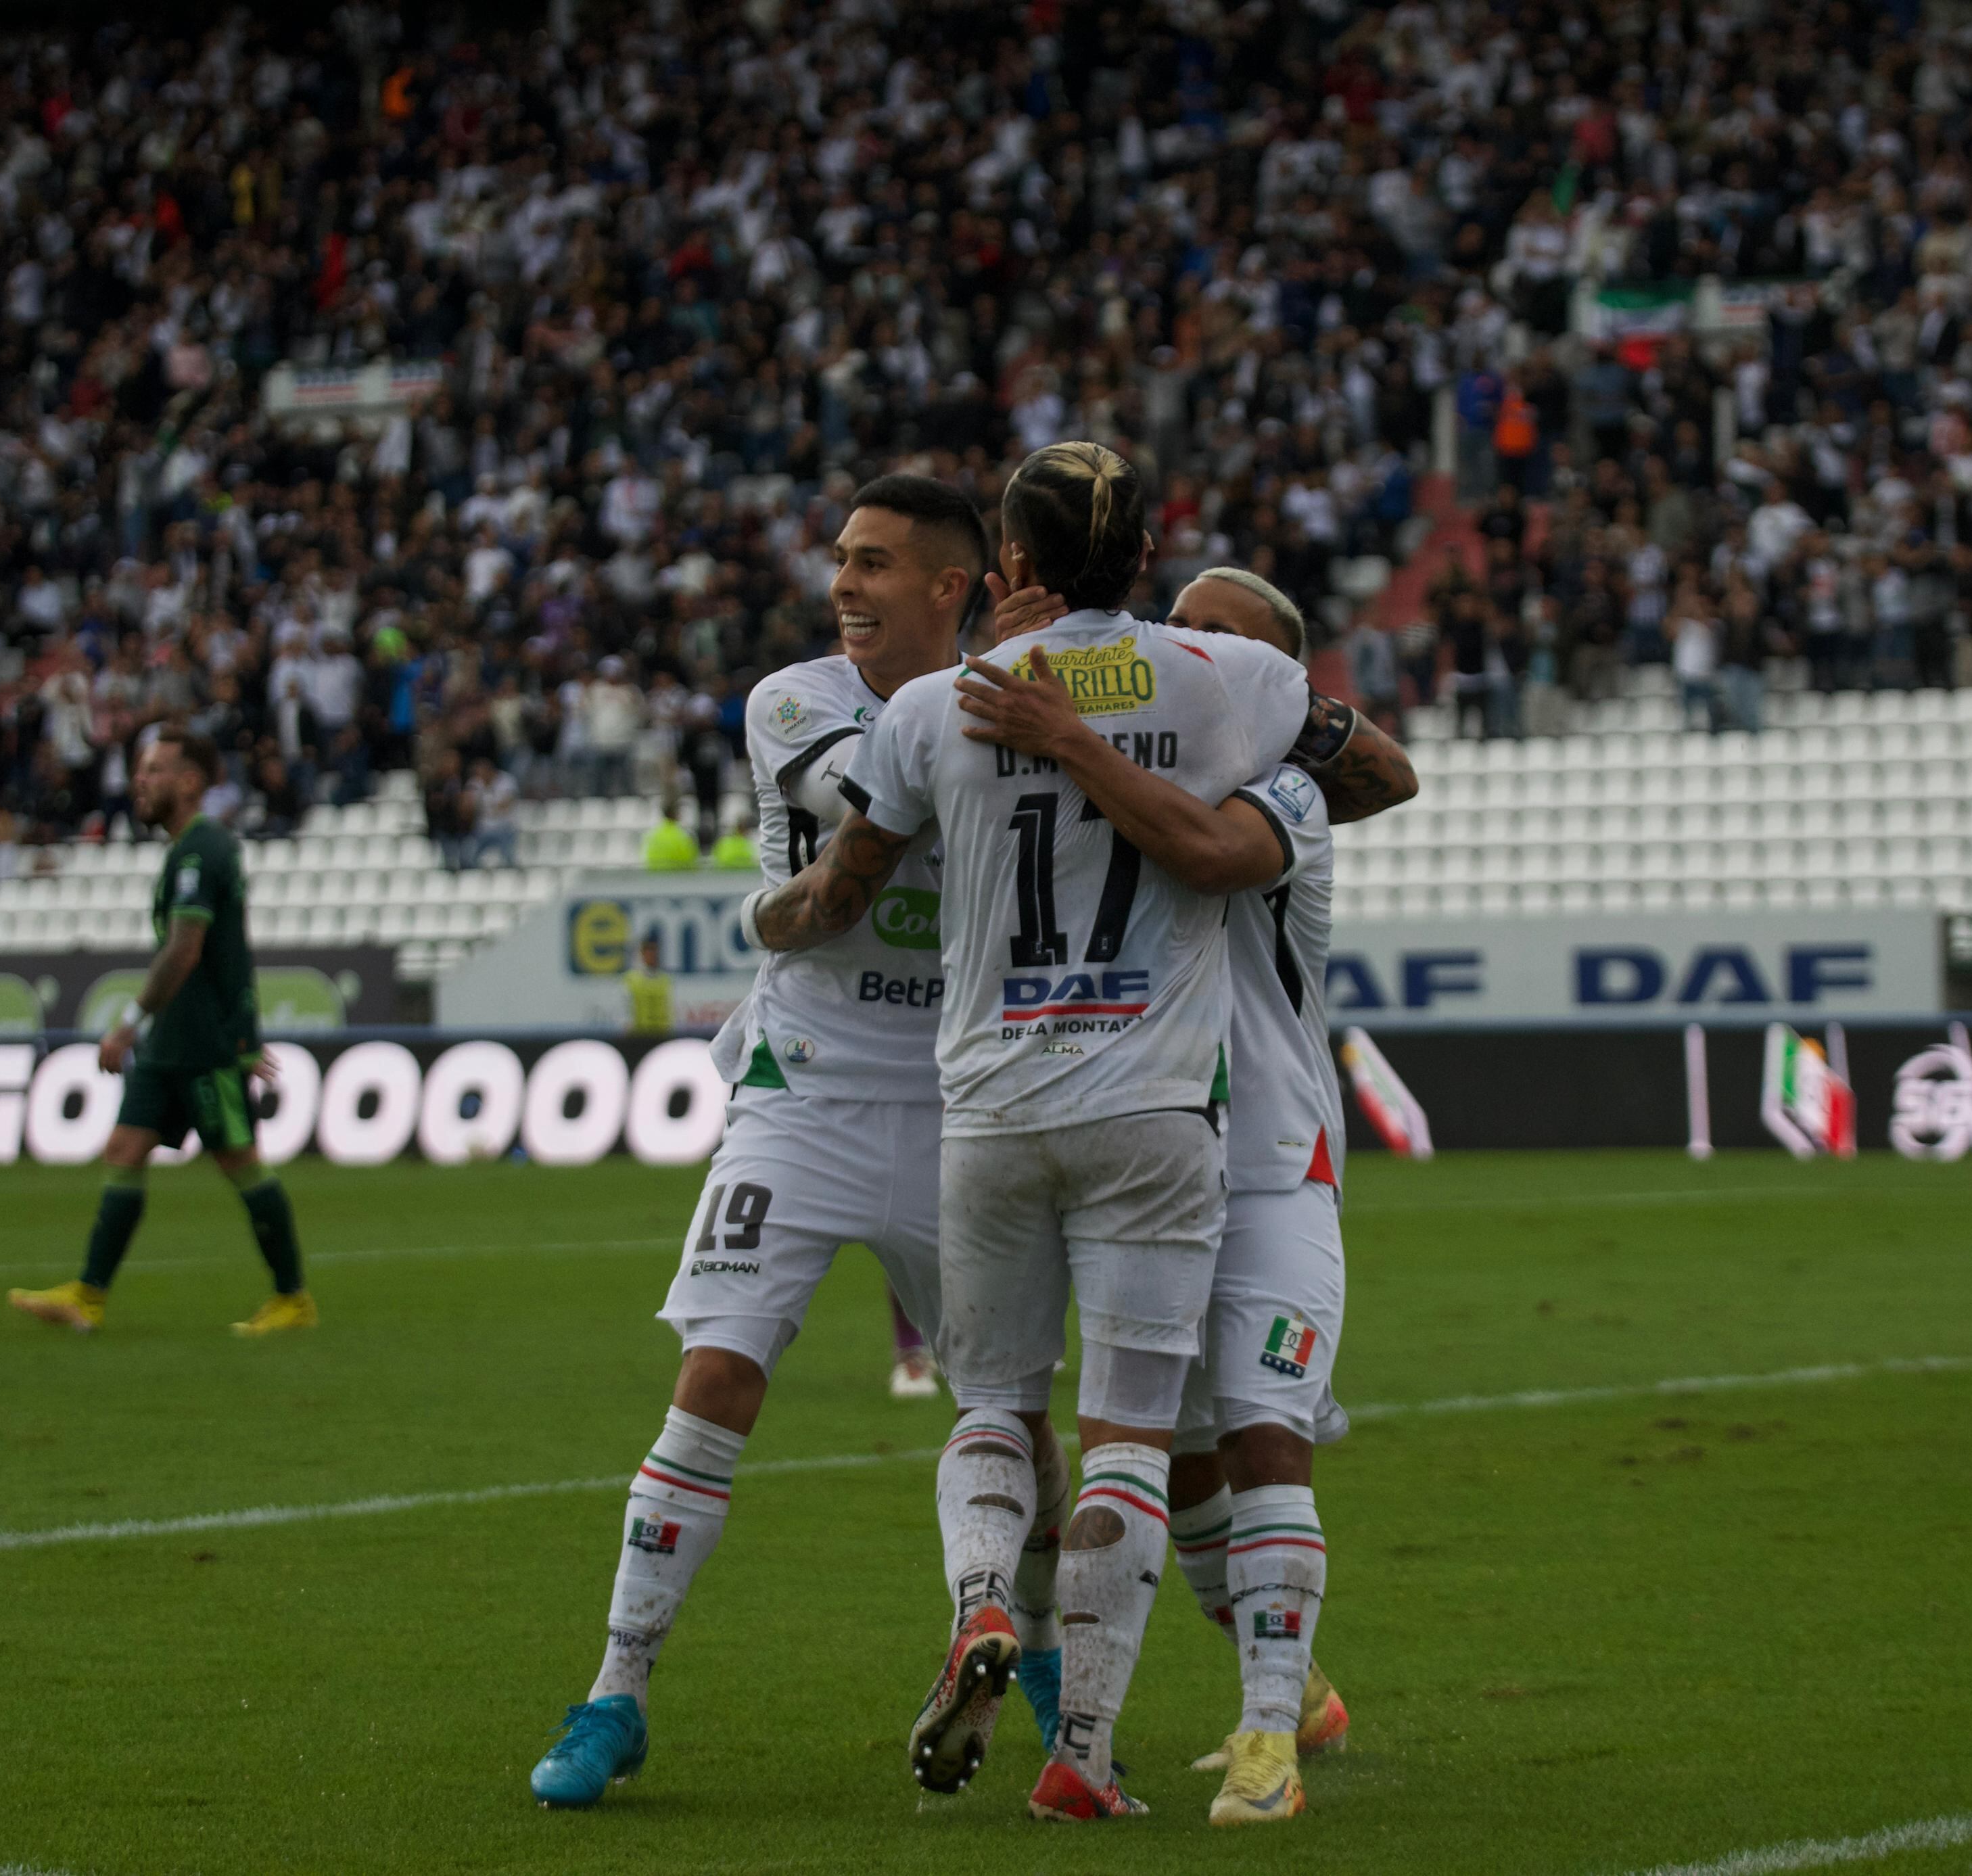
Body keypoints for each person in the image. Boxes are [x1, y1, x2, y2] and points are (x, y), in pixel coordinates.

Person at [742, 442, 1384, 1824]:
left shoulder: (934, 705)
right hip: (1159, 1113)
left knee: (1001, 1409)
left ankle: (992, 1607)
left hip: (991, 1106)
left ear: (1012, 568)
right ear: (1143, 567)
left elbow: (849, 877)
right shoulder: (1241, 696)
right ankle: (1084, 1749)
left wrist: (768, 925)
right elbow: (1362, 765)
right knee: (1138, 1447)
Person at [525, 475, 1013, 1810]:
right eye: (840, 562)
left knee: (1004, 1404)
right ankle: (614, 1693)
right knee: (717, 1372)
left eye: (874, 564)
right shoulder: (794, 699)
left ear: (949, 588)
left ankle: (1043, 1675)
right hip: (799, 1086)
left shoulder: (1011, 711)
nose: (844, 585)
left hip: (960, 1105)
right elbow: (882, 820)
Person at [970, 563, 1414, 1824]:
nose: (1195, 650)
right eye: (1184, 630)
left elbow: (1208, 851)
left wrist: (1061, 728)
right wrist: (1010, 671)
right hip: (1137, 1149)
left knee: (1266, 1428)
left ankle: (1268, 1735)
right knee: (1170, 1451)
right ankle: (1298, 1680)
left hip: (1270, 1158)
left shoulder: (1282, 794)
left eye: (1230, 640)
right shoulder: (1084, 766)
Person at [5, 728, 311, 1338]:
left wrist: (130, 1024)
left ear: (190, 781)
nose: (139, 782)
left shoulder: (204, 849)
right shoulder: (186, 851)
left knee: (241, 1162)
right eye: (139, 770)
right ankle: (88, 1297)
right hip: (173, 1043)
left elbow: (186, 950)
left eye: (154, 771)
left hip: (203, 1043)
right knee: (123, 1152)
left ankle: (293, 1299)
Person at [621, 933, 672, 1037]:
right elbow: (626, 1011)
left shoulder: (665, 980)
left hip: (661, 1036)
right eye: (649, 951)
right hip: (639, 1038)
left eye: (654, 951)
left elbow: (669, 1011)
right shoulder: (631, 980)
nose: (652, 955)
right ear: (642, 954)